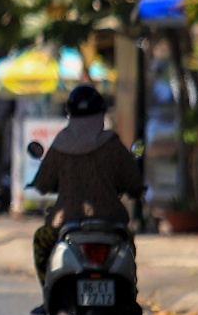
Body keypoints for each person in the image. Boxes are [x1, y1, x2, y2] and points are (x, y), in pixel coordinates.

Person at [28, 84, 143, 279]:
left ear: (70, 115)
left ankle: (48, 291)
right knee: (128, 244)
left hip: (64, 222)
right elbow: (133, 181)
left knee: (42, 240)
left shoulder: (60, 145)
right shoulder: (113, 145)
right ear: (101, 114)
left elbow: (42, 183)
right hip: (110, 221)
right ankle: (130, 294)